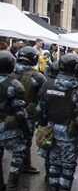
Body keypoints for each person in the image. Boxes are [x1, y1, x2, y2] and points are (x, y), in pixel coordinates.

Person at [37, 53, 78, 191]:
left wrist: (43, 125)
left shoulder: (48, 85)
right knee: (67, 166)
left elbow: (41, 110)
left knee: (54, 163)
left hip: (52, 129)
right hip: (69, 133)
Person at [11, 46, 47, 175]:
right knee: (26, 139)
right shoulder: (38, 77)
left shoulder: (9, 72)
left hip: (9, 112)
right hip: (28, 114)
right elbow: (44, 97)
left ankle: (24, 165)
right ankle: (22, 167)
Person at [0, 51, 29, 191]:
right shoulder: (13, 84)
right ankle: (12, 185)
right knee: (19, 152)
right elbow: (19, 111)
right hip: (8, 125)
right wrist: (26, 129)